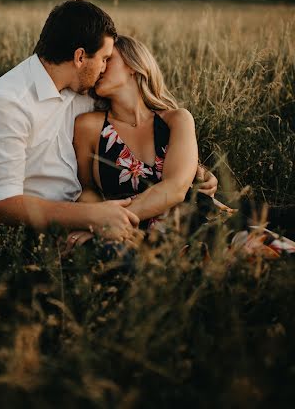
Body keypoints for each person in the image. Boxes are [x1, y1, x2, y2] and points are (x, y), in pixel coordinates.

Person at [0, 0, 218, 241]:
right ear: (80, 57)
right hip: (14, 237)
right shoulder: (6, 104)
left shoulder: (81, 92)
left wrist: (195, 171)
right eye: (104, 59)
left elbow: (137, 122)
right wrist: (94, 218)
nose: (104, 68)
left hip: (77, 220)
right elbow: (2, 206)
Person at [67, 35, 295, 258]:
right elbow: (86, 189)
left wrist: (105, 223)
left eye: (108, 59)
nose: (100, 66)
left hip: (204, 219)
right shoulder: (90, 125)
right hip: (138, 238)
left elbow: (176, 188)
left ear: (133, 66)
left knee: (271, 256)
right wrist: (96, 220)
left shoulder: (176, 120)